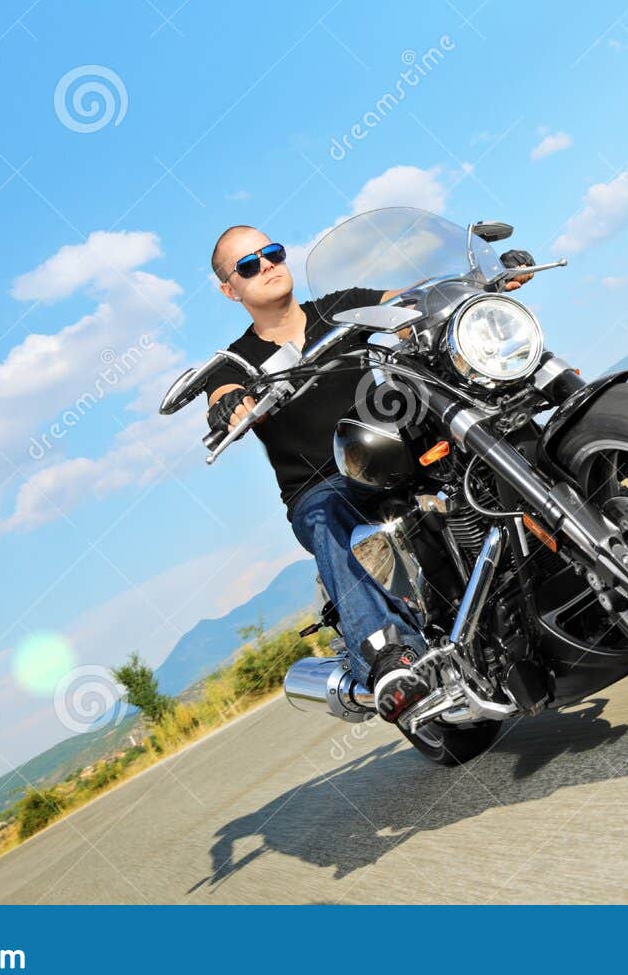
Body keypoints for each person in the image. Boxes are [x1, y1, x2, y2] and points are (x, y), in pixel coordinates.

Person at [203, 223, 531, 725]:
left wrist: (477, 278)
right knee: (322, 514)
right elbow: (223, 393)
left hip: (394, 448)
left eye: (272, 252)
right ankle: (386, 655)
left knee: (486, 419)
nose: (267, 265)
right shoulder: (236, 362)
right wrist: (230, 406)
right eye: (249, 265)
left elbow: (409, 301)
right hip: (328, 484)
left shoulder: (340, 309)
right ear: (230, 289)